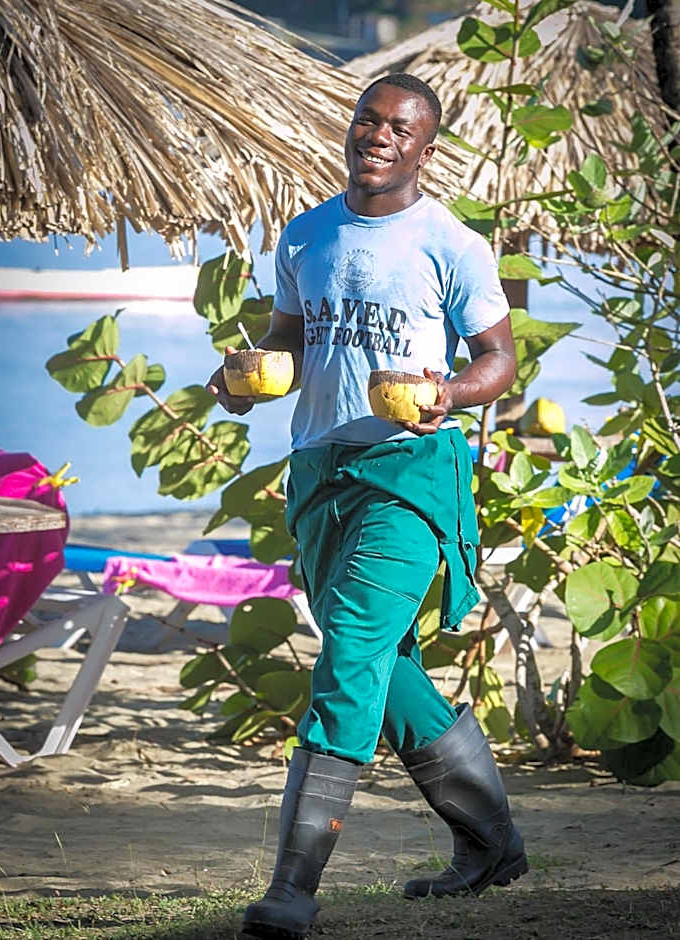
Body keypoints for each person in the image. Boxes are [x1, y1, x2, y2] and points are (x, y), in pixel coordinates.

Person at [207, 72, 527, 940]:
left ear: (427, 146)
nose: (377, 136)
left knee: (349, 650)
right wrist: (246, 376)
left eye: (400, 128)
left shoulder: (451, 244)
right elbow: (291, 338)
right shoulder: (307, 234)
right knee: (381, 664)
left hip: (409, 472)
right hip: (320, 475)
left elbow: (498, 357)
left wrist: (453, 393)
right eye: (367, 120)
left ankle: (293, 889)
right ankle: (491, 841)